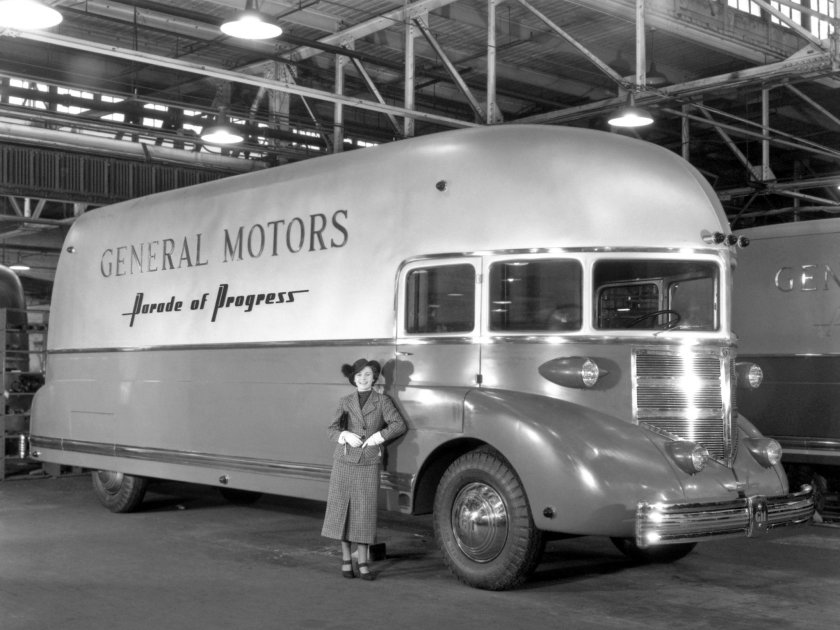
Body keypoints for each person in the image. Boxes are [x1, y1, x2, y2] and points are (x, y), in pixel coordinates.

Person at [321, 358, 407, 581]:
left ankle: (363, 562)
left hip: (368, 461)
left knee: (364, 512)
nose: (363, 379)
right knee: (343, 511)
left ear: (374, 377)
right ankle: (346, 560)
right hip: (344, 460)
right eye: (359, 375)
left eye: (368, 374)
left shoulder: (383, 401)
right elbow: (331, 429)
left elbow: (399, 424)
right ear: (353, 379)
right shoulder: (345, 401)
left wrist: (379, 437)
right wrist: (343, 435)